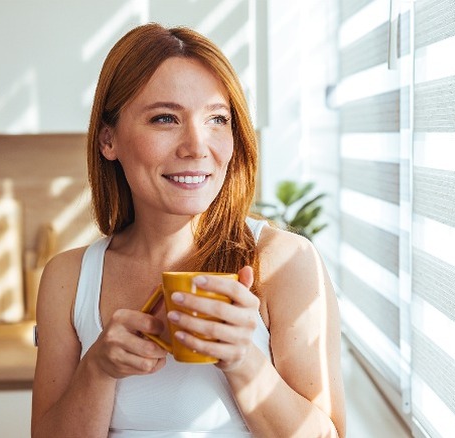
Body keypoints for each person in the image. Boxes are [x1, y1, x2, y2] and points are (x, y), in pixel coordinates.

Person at [31, 22, 346, 437]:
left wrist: (244, 360)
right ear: (109, 140)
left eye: (217, 119)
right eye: (165, 118)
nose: (197, 146)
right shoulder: (68, 279)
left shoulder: (283, 262)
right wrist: (98, 370)